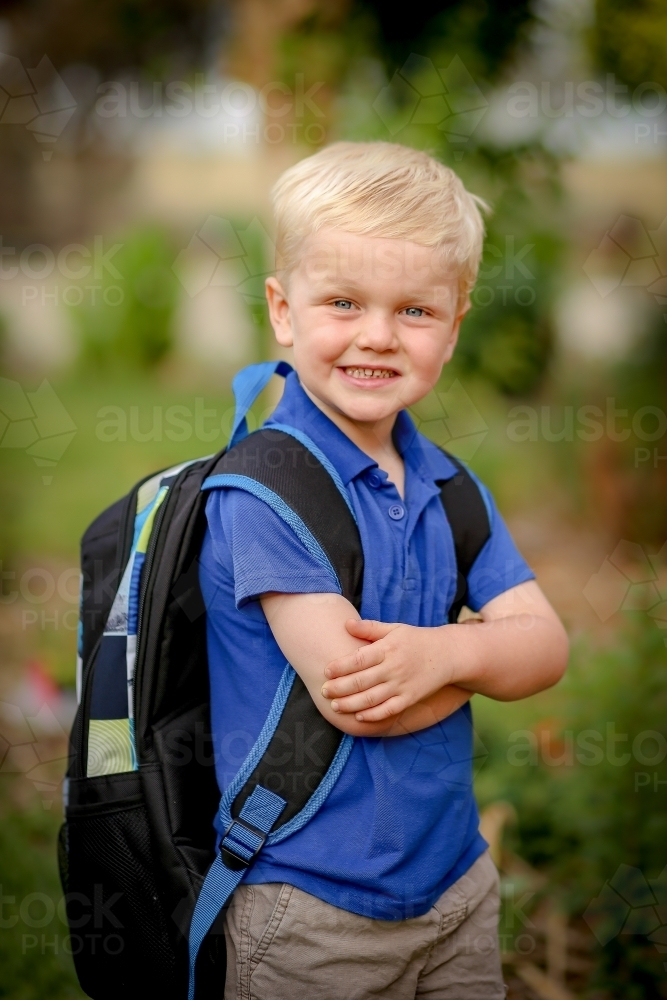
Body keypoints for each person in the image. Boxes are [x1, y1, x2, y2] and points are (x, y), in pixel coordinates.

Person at [199, 141, 569, 999]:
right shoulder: (266, 490)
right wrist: (487, 651)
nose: (375, 335)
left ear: (454, 323)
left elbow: (547, 650)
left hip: (454, 890)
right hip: (310, 912)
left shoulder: (449, 485)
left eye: (413, 310)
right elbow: (358, 698)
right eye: (341, 301)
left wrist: (440, 657)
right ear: (282, 311)